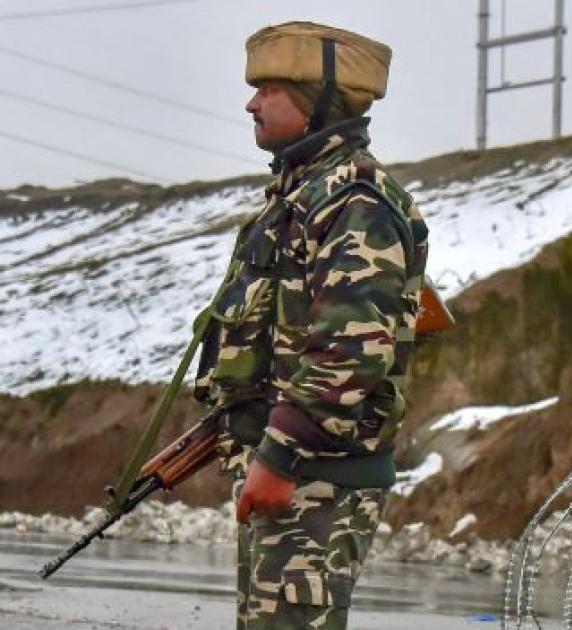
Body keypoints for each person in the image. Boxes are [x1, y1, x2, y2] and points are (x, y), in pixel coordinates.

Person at [192, 21, 428, 628]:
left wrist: (279, 456)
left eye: (268, 89)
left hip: (315, 477)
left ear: (316, 102)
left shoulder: (356, 201)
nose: (251, 103)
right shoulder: (302, 197)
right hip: (293, 471)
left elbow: (350, 352)